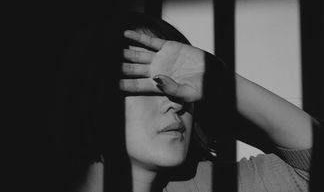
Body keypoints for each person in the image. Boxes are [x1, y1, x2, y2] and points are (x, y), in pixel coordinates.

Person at [53, 11, 321, 192]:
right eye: (151, 85)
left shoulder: (197, 184)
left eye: (181, 87)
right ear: (93, 97)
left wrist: (224, 86)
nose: (177, 103)